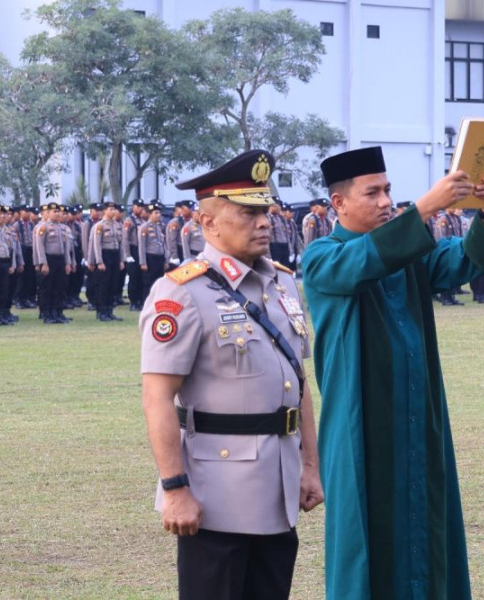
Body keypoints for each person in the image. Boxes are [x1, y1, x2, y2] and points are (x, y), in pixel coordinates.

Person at [302, 145, 484, 600]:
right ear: (338, 203)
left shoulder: (408, 253)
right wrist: (426, 207)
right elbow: (363, 263)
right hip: (360, 430)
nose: (385, 201)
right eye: (372, 193)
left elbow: (464, 260)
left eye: (388, 191)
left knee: (425, 529)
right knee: (365, 544)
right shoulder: (321, 257)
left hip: (416, 416)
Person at [139, 149, 323, 600]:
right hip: (216, 495)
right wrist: (175, 488)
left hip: (278, 486)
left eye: (265, 212)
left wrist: (310, 466)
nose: (263, 223)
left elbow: (297, 381)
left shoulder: (282, 283)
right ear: (208, 222)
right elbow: (157, 396)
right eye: (248, 213)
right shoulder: (181, 293)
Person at [33, 202, 73, 324]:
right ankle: (47, 314)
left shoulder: (62, 228)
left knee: (59, 288)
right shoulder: (43, 227)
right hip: (49, 259)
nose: (57, 214)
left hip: (60, 259)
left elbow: (66, 247)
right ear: (48, 213)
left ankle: (57, 312)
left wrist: (67, 263)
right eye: (54, 211)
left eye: (58, 211)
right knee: (47, 288)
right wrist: (43, 263)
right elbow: (40, 246)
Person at [91, 202, 125, 322]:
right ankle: (102, 312)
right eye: (110, 209)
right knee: (103, 285)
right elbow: (97, 244)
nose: (113, 211)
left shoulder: (118, 225)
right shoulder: (100, 225)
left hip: (115, 255)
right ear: (104, 211)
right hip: (105, 255)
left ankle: (110, 311)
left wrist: (122, 260)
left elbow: (121, 244)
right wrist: (99, 261)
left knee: (113, 285)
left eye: (114, 209)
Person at [137, 202, 168, 304]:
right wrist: (143, 262)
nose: (159, 215)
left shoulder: (160, 226)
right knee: (149, 283)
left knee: (159, 282)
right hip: (150, 257)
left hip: (160, 257)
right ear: (150, 214)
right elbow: (142, 246)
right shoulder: (144, 227)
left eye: (159, 213)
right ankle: (146, 303)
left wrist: (166, 259)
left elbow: (164, 244)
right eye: (156, 213)